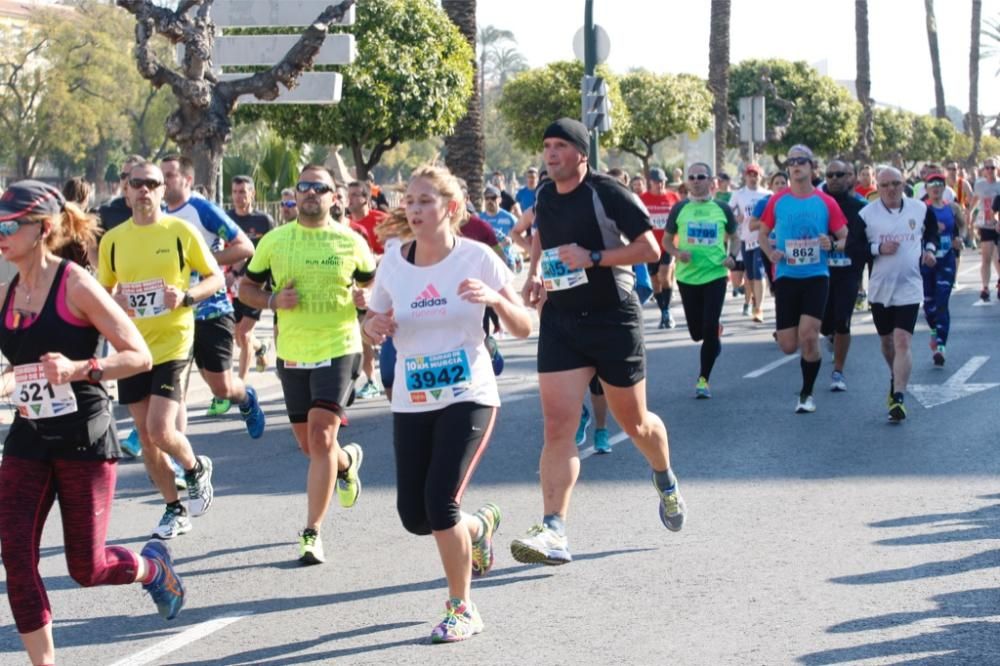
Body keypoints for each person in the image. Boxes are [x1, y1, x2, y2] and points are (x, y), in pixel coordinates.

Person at [0, 180, 186, 666]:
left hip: (84, 437)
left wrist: (80, 368)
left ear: (41, 230)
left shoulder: (76, 285)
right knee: (16, 557)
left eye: (8, 226)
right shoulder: (5, 293)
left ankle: (152, 569)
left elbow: (138, 355)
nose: (0, 234)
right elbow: (17, 365)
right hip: (29, 437)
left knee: (87, 566)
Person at [362, 165, 531, 643]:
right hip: (413, 397)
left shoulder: (478, 258)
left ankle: (462, 607)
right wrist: (371, 329)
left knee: (440, 503)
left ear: (451, 209)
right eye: (409, 202)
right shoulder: (393, 259)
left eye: (425, 202)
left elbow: (524, 326)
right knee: (416, 517)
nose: (414, 211)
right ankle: (478, 528)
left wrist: (495, 302)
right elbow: (372, 321)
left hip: (468, 393)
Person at [515, 118, 686, 566]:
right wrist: (534, 276)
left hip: (613, 318)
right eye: (546, 145)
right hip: (561, 319)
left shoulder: (607, 192)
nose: (550, 154)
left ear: (581, 153)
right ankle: (553, 528)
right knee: (558, 427)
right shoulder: (545, 194)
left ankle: (664, 477)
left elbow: (651, 249)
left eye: (559, 146)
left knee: (636, 424)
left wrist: (593, 258)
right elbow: (540, 238)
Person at [239, 165, 374, 564]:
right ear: (295, 196)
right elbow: (246, 288)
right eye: (304, 187)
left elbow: (371, 284)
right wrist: (271, 302)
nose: (311, 193)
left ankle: (312, 532)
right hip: (292, 351)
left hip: (339, 345)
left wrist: (366, 302)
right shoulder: (275, 241)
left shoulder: (351, 242)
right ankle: (347, 464)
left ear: (336, 197)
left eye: (320, 188)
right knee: (309, 445)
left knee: (322, 439)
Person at [97, 162, 222, 539]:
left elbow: (214, 277)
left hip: (173, 343)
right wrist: (115, 299)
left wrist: (185, 296)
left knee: (160, 429)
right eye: (137, 183)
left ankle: (194, 467)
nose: (144, 190)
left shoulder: (181, 231)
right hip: (133, 348)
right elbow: (104, 293)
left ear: (161, 190)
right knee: (144, 435)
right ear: (126, 189)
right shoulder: (113, 240)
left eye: (153, 183)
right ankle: (174, 508)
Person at [160, 156, 265, 432]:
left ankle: (246, 397)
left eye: (169, 175)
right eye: (161, 176)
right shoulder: (157, 213)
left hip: (211, 309)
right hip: (174, 312)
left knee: (221, 386)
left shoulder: (202, 209)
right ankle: (171, 449)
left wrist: (203, 260)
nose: (163, 182)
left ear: (187, 179)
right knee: (174, 384)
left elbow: (245, 247)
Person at [758, 145, 848, 413]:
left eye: (801, 161)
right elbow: (762, 234)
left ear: (812, 167)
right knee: (788, 345)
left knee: (809, 336)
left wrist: (831, 242)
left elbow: (844, 236)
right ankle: (811, 353)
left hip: (816, 276)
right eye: (792, 162)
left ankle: (806, 394)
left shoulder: (826, 202)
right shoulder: (777, 201)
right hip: (786, 276)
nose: (796, 165)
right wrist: (770, 251)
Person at [861, 167, 939, 422]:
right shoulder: (866, 214)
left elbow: (931, 233)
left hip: (910, 286)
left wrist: (929, 250)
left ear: (904, 184)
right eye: (885, 185)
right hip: (881, 288)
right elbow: (853, 249)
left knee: (903, 340)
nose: (891, 189)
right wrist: (877, 247)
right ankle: (896, 376)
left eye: (896, 183)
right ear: (878, 187)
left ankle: (899, 396)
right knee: (887, 342)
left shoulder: (919, 208)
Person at [663, 162, 739, 398]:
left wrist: (732, 257)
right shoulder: (679, 209)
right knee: (697, 333)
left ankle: (703, 380)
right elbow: (666, 241)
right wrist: (677, 254)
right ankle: (713, 334)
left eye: (701, 176)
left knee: (707, 328)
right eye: (692, 177)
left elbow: (735, 238)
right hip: (687, 278)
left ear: (710, 181)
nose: (696, 180)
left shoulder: (722, 208)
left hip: (715, 275)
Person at [819, 160, 869, 392]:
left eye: (841, 174)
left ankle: (838, 371)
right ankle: (830, 335)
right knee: (824, 323)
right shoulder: (817, 202)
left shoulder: (860, 206)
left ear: (851, 178)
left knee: (842, 321)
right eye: (830, 174)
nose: (835, 178)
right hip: (819, 271)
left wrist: (844, 246)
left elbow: (867, 241)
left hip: (848, 271)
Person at [226, 175, 275, 380]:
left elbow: (274, 250)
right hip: (231, 284)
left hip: (256, 284)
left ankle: (240, 384)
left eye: (243, 192)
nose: (238, 197)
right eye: (235, 192)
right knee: (238, 336)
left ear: (252, 194)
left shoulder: (263, 221)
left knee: (244, 334)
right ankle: (261, 347)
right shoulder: (226, 218)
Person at [347, 180, 388, 400]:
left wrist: (376, 258)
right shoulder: (344, 224)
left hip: (381, 283)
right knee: (361, 332)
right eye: (348, 195)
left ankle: (378, 377)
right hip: (354, 287)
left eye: (355, 195)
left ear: (366, 199)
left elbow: (396, 248)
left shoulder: (381, 221)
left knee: (370, 330)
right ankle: (370, 379)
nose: (350, 199)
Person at [922, 173, 965, 366]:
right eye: (932, 185)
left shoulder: (952, 208)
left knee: (941, 302)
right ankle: (934, 329)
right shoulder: (922, 210)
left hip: (946, 259)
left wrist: (959, 240)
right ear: (927, 189)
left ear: (944, 188)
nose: (936, 188)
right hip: (927, 261)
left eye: (940, 185)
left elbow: (961, 228)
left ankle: (941, 346)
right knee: (929, 304)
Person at [639, 167, 681, 329]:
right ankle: (663, 311)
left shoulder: (673, 197)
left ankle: (667, 311)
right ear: (650, 182)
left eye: (662, 181)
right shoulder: (643, 199)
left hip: (668, 244)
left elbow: (681, 217)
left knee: (664, 276)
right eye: (657, 182)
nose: (660, 184)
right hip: (650, 246)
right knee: (655, 281)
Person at [728, 164, 771, 320]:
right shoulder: (739, 194)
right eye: (750, 175)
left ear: (761, 177)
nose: (753, 178)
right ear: (745, 177)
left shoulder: (767, 194)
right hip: (746, 240)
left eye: (756, 175)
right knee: (751, 276)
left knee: (759, 272)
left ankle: (759, 308)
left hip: (763, 239)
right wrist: (735, 219)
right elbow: (727, 212)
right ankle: (754, 301)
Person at [971, 156, 1000, 301]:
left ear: (997, 169)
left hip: (998, 226)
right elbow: (975, 200)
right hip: (985, 225)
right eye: (987, 168)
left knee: (998, 258)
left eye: (992, 167)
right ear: (983, 170)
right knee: (986, 258)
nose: (990, 170)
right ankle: (985, 287)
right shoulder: (979, 185)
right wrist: (969, 214)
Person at [97, 155, 146, 232]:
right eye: (123, 176)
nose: (126, 181)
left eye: (131, 175)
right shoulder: (106, 212)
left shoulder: (155, 211)